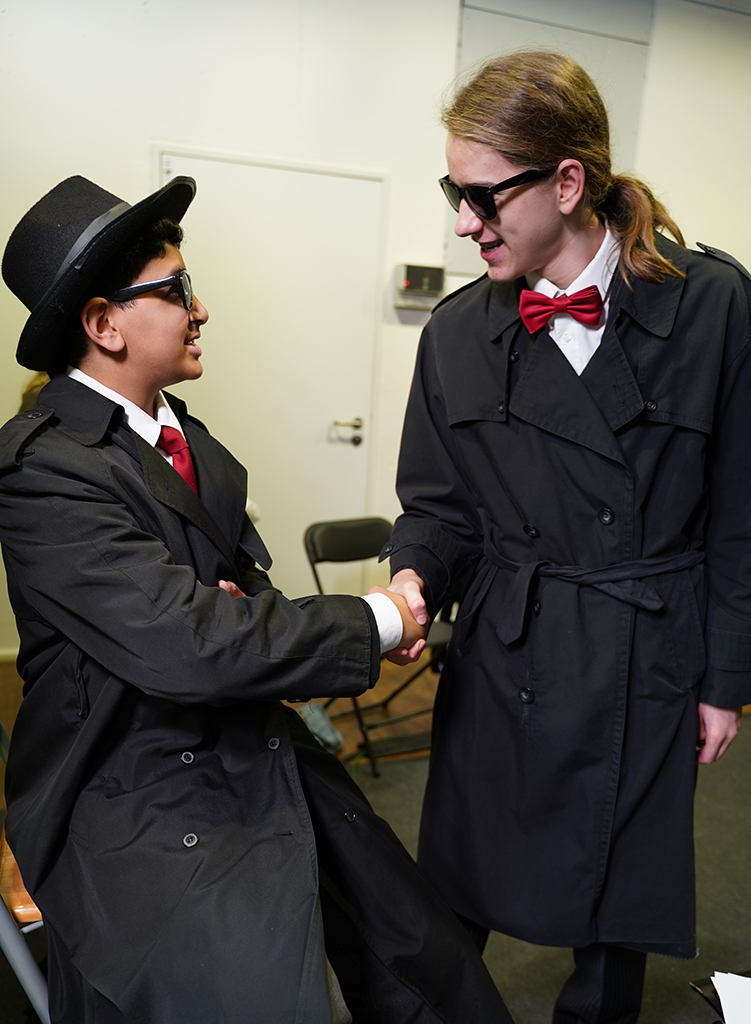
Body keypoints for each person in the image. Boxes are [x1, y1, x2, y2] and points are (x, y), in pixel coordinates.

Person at [0, 175, 513, 1024]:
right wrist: (376, 618)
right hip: (132, 788)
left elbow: (240, 608)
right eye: (177, 290)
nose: (199, 310)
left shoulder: (188, 442)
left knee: (425, 952)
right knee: (255, 990)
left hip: (247, 738)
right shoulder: (43, 468)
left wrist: (240, 627)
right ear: (103, 324)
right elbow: (189, 640)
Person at [384, 51, 751, 1024]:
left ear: (566, 182)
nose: (463, 221)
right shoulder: (455, 333)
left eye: (482, 196)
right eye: (453, 194)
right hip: (505, 646)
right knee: (456, 884)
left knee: (615, 904)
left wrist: (724, 680)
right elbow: (437, 507)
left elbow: (740, 513)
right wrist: (413, 578)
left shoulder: (712, 305)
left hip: (644, 645)